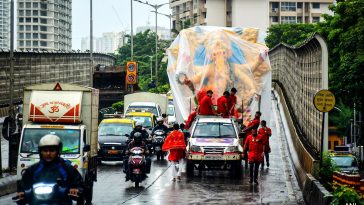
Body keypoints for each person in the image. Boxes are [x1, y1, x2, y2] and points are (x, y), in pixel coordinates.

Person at [16, 134, 83, 204]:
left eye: (52, 150)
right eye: (45, 151)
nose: (48, 153)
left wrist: (75, 189)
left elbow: (79, 183)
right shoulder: (33, 169)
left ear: (58, 151)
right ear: (40, 152)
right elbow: (23, 184)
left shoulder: (67, 168)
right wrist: (21, 193)